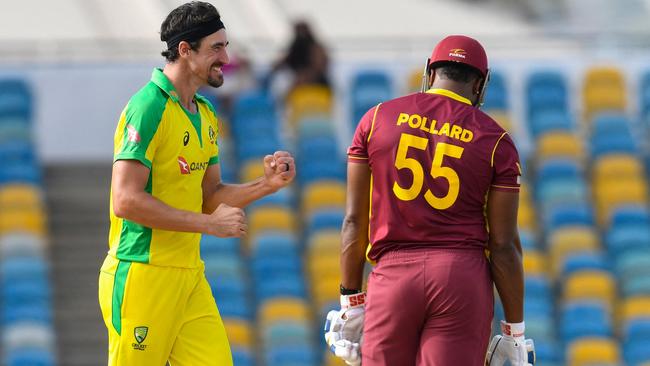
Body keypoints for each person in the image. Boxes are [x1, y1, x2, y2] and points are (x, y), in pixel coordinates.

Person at [97, 2, 295, 365]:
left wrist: (267, 185)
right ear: (185, 50)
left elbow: (211, 196)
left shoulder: (205, 112)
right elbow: (125, 200)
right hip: (143, 274)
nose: (226, 57)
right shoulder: (148, 107)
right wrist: (209, 225)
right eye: (216, 47)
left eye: (225, 45)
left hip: (189, 276)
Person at [324, 35, 534, 365]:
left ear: (429, 71)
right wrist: (514, 332)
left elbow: (354, 220)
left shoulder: (377, 118)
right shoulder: (497, 141)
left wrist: (351, 300)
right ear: (481, 84)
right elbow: (504, 245)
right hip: (460, 279)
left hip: (393, 277)